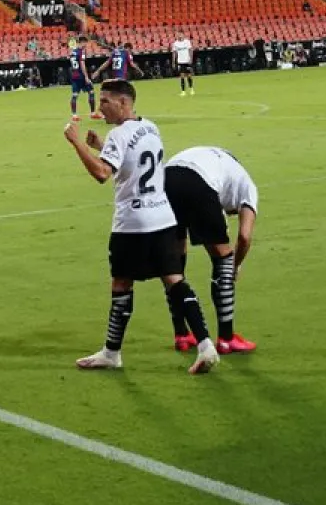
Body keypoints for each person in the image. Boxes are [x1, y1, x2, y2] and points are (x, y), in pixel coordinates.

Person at [62, 80, 219, 374]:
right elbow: (135, 162)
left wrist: (78, 143)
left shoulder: (118, 135)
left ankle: (112, 352)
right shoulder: (150, 127)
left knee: (121, 284)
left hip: (132, 223)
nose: (99, 108)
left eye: (105, 101)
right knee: (175, 281)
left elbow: (101, 173)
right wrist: (101, 145)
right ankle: (205, 345)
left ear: (124, 102)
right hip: (162, 218)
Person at [164, 145, 258, 355]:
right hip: (198, 183)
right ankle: (226, 338)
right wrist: (235, 266)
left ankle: (181, 334)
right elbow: (244, 236)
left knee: (174, 261)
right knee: (222, 257)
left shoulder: (218, 162)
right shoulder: (247, 185)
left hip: (165, 178)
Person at [67, 38, 96, 120]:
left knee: (75, 95)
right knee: (91, 92)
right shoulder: (81, 52)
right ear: (82, 42)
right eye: (85, 43)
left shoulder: (73, 52)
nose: (86, 45)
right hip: (81, 76)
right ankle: (93, 113)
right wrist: (86, 77)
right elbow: (82, 65)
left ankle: (74, 115)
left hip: (74, 76)